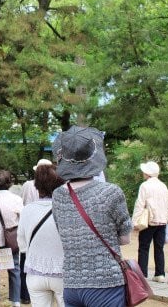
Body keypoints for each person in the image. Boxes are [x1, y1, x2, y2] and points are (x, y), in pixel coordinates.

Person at [51, 126, 133, 307]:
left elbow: (64, 235)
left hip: (72, 283)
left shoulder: (58, 195)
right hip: (106, 283)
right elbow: (125, 238)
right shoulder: (111, 192)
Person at [17, 164, 65, 307]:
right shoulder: (67, 209)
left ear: (36, 186)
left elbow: (22, 245)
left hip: (35, 272)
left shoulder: (27, 210)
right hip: (63, 273)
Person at [0, 170, 24, 307]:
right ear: (10, 183)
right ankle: (16, 300)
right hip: (11, 241)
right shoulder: (16, 199)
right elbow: (22, 220)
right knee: (15, 269)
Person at [19, 158, 53, 305]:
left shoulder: (27, 185)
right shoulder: (64, 206)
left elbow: (22, 245)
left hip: (30, 225)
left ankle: (24, 295)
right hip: (59, 268)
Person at [131, 161, 168, 282]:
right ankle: (160, 274)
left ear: (147, 173)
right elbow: (167, 203)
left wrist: (135, 221)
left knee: (143, 247)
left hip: (148, 221)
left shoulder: (145, 186)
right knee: (159, 247)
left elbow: (140, 204)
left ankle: (142, 274)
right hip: (162, 221)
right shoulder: (163, 186)